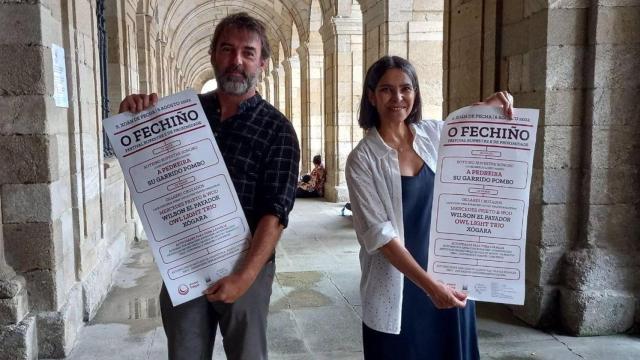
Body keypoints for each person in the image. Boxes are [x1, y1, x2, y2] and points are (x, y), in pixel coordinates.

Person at [118, 12, 300, 360]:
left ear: (262, 62)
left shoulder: (278, 130)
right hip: (186, 262)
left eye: (248, 52)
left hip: (244, 263)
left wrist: (245, 277)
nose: (236, 61)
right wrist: (133, 117)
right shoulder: (185, 113)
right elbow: (146, 160)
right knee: (184, 353)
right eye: (227, 49)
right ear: (213, 55)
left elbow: (275, 213)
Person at [345, 55, 513, 360]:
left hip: (451, 275)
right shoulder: (362, 159)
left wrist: (494, 105)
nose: (397, 98)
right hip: (401, 287)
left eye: (406, 88)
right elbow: (380, 235)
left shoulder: (434, 133)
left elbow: (473, 128)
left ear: (415, 93)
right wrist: (429, 287)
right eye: (386, 89)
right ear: (371, 96)